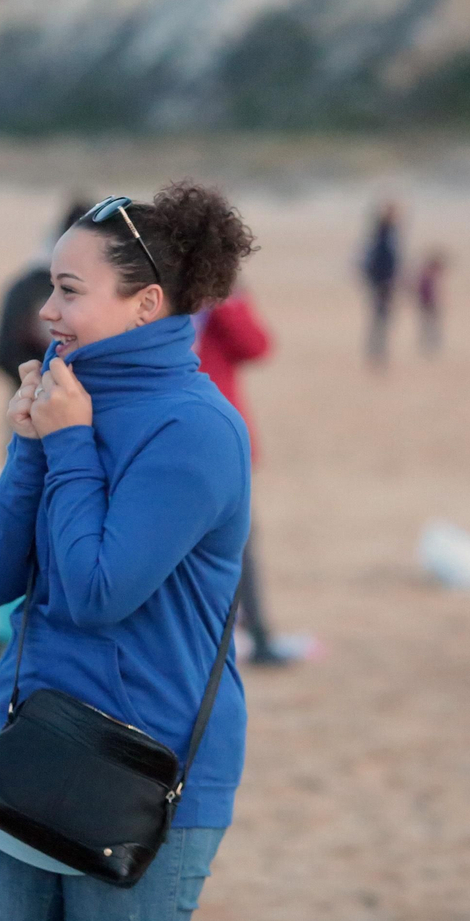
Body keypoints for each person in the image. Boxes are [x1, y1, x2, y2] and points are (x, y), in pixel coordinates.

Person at [0, 184, 257, 920]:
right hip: (28, 749)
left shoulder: (196, 428)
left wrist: (68, 442)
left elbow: (96, 591)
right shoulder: (65, 396)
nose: (45, 310)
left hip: (144, 774)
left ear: (146, 303)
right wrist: (30, 446)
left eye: (68, 290)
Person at [194, 285, 290, 665]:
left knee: (238, 538)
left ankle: (257, 630)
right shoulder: (158, 288)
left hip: (221, 436)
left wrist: (226, 300)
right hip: (175, 432)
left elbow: (256, 346)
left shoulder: (220, 297)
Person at [0, 197, 93, 390]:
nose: (48, 311)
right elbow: (4, 352)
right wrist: (41, 386)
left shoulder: (23, 283)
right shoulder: (29, 287)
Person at [359, 199, 400, 367]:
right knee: (380, 317)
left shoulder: (386, 235)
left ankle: (378, 350)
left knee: (381, 317)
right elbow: (381, 263)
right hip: (382, 283)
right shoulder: (382, 238)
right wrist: (382, 283)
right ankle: (376, 351)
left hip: (383, 283)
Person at [414, 249, 447, 356]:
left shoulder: (427, 275)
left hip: (427, 303)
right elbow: (424, 292)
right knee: (429, 325)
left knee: (429, 325)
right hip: (427, 304)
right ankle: (429, 346)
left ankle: (430, 345)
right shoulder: (427, 276)